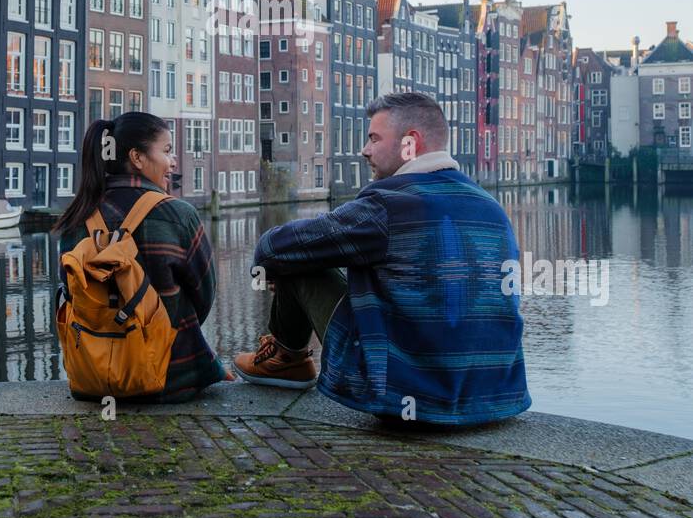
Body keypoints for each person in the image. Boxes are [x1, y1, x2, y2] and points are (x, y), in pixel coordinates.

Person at [234, 91, 532, 426]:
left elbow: (272, 248)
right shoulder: (491, 207)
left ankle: (287, 357)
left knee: (297, 256)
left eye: (374, 138)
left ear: (411, 143)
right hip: (498, 397)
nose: (365, 150)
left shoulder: (388, 202)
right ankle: (288, 356)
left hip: (408, 397)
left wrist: (282, 266)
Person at [53, 113, 229, 400]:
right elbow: (204, 296)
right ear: (137, 157)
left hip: (92, 378)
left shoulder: (77, 217)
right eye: (167, 151)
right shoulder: (179, 214)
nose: (173, 162)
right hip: (172, 379)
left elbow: (69, 294)